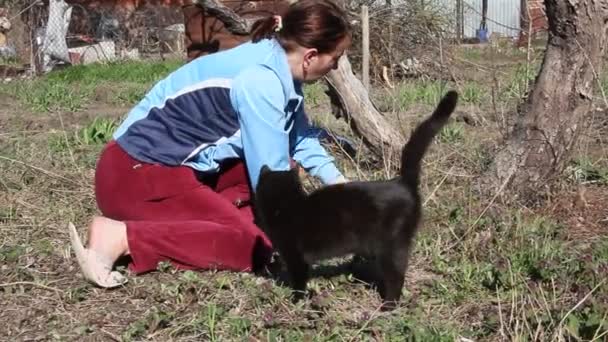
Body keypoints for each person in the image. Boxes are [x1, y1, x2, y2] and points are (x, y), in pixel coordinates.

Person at [68, 0, 352, 288]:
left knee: (277, 186)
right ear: (311, 55)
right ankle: (121, 238)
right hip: (135, 175)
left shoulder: (277, 64)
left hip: (165, 168)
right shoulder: (261, 81)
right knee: (253, 248)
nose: (336, 66)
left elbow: (298, 137)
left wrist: (340, 185)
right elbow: (271, 178)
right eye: (336, 58)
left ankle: (213, 222)